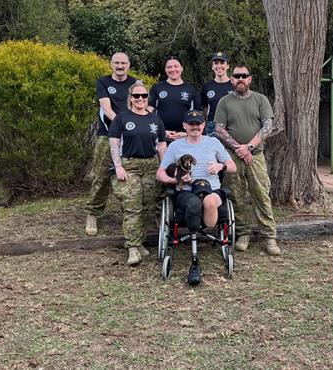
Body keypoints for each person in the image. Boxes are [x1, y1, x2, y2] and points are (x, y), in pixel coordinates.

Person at [156, 110, 237, 286]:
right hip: (186, 191)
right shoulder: (176, 146)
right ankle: (194, 260)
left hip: (212, 189)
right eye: (191, 124)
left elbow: (232, 167)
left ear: (203, 125)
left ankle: (209, 226)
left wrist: (220, 166)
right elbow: (160, 174)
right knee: (193, 204)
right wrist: (176, 179)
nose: (195, 127)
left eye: (198, 124)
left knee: (208, 201)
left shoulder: (213, 142)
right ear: (184, 126)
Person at [214, 64, 280, 256]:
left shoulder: (260, 100)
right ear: (232, 79)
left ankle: (269, 236)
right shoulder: (224, 102)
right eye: (237, 76)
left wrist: (249, 147)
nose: (240, 78)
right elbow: (219, 128)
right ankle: (243, 233)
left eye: (244, 75)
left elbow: (268, 126)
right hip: (232, 157)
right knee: (236, 195)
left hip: (255, 156)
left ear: (250, 79)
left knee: (261, 194)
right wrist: (238, 148)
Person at [108, 80, 167, 266]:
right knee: (132, 206)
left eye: (143, 96)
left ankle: (140, 241)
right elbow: (114, 143)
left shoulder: (155, 119)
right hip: (129, 165)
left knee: (147, 205)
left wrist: (163, 166)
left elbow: (161, 144)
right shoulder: (122, 118)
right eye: (136, 96)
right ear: (130, 98)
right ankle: (133, 247)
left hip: (150, 165)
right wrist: (118, 166)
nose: (140, 99)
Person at [84, 52, 137, 236]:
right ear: (111, 64)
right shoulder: (103, 82)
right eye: (117, 63)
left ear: (128, 65)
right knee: (101, 176)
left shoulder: (135, 84)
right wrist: (122, 125)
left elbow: (139, 106)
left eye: (123, 63)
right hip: (107, 136)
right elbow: (106, 108)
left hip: (130, 138)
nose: (120, 66)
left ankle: (130, 214)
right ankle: (92, 213)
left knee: (130, 175)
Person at [149, 55, 202, 142]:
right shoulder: (157, 88)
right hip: (162, 137)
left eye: (176, 66)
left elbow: (199, 117)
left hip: (185, 137)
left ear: (181, 68)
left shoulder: (191, 89)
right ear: (165, 69)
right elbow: (148, 113)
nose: (173, 69)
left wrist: (187, 133)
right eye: (169, 67)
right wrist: (162, 132)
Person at [200, 52, 234, 137]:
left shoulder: (234, 85)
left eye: (222, 63)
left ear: (227, 66)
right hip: (212, 126)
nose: (219, 66)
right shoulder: (207, 87)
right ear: (212, 67)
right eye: (216, 63)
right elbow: (204, 108)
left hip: (232, 125)